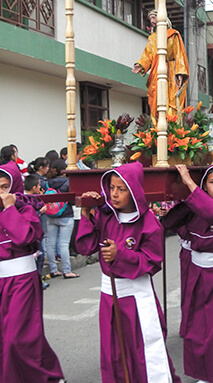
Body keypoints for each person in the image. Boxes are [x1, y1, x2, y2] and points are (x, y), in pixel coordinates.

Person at [75, 162, 178, 382]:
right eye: (111, 188)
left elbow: (153, 262)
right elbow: (86, 247)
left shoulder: (148, 223)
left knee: (143, 351)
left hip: (136, 297)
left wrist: (119, 255)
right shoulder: (106, 216)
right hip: (109, 296)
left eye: (121, 189)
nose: (114, 194)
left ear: (133, 191)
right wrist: (86, 214)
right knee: (113, 352)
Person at [0, 163, 64, 382]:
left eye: (5, 187)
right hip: (4, 284)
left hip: (24, 280)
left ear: (14, 186)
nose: (0, 193)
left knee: (22, 338)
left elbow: (26, 236)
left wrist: (9, 210)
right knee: (8, 338)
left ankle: (49, 377)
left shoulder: (24, 209)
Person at [162, 163, 213, 383]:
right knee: (197, 326)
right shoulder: (196, 205)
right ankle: (205, 373)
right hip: (197, 271)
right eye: (212, 182)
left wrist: (188, 182)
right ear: (205, 185)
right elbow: (169, 223)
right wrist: (180, 203)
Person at [133, 10, 189, 118]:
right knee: (156, 101)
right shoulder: (152, 38)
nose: (152, 21)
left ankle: (173, 127)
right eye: (150, 19)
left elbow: (179, 54)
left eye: (154, 18)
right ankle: (157, 127)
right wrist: (140, 65)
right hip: (157, 73)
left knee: (172, 102)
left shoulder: (173, 35)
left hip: (172, 72)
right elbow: (148, 56)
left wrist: (180, 73)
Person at [45, 159, 79, 279]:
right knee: (64, 244)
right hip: (65, 214)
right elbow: (71, 200)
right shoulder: (67, 183)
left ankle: (53, 270)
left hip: (50, 215)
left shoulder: (46, 183)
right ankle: (67, 270)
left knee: (51, 243)